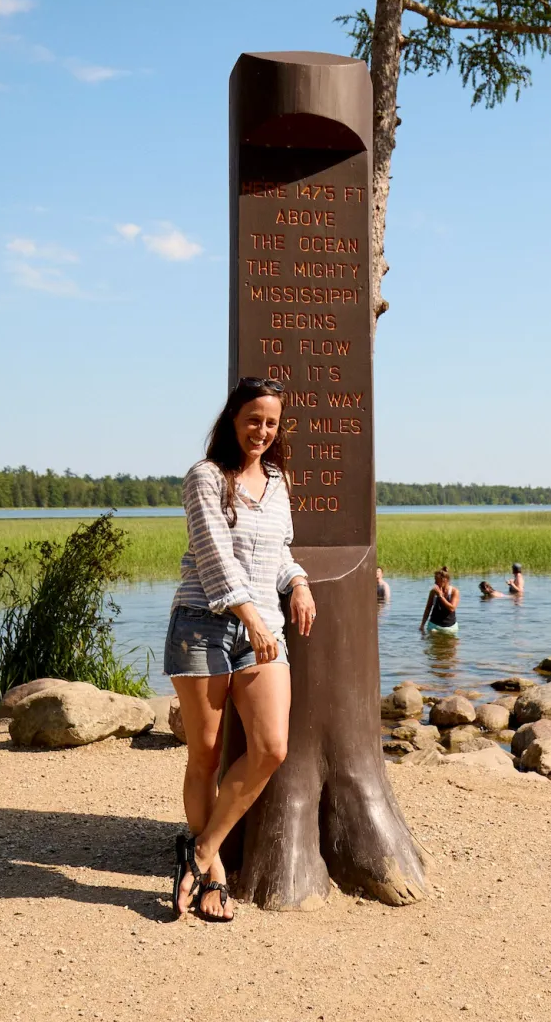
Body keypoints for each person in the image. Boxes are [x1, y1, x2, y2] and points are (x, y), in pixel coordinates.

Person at [166, 376, 316, 923]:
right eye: (254, 419)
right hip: (202, 625)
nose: (262, 430)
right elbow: (213, 554)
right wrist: (249, 615)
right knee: (205, 755)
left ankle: (200, 850)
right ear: (233, 419)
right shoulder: (205, 477)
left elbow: (279, 552)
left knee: (271, 747)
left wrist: (298, 582)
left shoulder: (278, 482)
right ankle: (216, 878)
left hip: (263, 630)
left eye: (272, 422)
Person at [419, 567, 459, 634]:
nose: (435, 582)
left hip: (450, 628)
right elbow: (428, 608)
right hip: (433, 626)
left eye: (436, 580)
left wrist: (440, 596)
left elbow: (452, 608)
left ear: (444, 580)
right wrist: (422, 625)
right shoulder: (433, 592)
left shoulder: (454, 591)